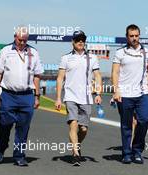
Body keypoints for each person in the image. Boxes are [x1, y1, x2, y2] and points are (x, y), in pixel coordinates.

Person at [0, 26, 44, 166]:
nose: (22, 42)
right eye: (20, 39)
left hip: (27, 96)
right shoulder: (5, 51)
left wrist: (37, 96)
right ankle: (1, 149)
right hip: (8, 95)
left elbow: (37, 76)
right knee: (5, 124)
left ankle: (19, 155)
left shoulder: (33, 52)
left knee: (23, 128)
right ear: (15, 37)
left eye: (25, 40)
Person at [111, 24, 148, 164]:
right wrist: (116, 90)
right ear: (127, 37)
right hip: (125, 94)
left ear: (139, 36)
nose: (134, 38)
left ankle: (137, 150)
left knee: (144, 120)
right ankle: (127, 153)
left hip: (143, 93)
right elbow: (115, 72)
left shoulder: (147, 52)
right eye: (131, 36)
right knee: (126, 124)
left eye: (136, 36)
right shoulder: (120, 52)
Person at [55, 30, 102, 166]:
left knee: (83, 129)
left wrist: (98, 94)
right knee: (73, 124)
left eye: (82, 39)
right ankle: (75, 154)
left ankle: (77, 145)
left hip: (86, 97)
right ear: (73, 42)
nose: (80, 42)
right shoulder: (66, 58)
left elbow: (98, 76)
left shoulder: (92, 58)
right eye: (77, 39)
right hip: (70, 96)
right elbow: (60, 78)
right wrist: (58, 98)